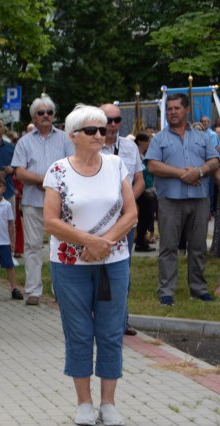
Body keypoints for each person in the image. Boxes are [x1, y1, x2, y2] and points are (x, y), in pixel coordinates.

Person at [43, 105, 137, 426]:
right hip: (70, 264)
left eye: (103, 129)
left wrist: (103, 243)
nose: (101, 134)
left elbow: (131, 214)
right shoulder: (57, 170)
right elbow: (50, 221)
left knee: (111, 332)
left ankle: (108, 404)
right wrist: (87, 242)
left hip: (113, 261)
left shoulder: (115, 164)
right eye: (92, 130)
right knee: (80, 332)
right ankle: (84, 403)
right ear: (73, 136)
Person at [145, 93, 219, 306]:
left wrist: (199, 171)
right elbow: (153, 165)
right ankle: (166, 291)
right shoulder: (159, 138)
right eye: (169, 109)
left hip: (199, 199)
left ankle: (198, 289)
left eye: (177, 108)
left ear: (187, 110)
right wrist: (181, 174)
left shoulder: (203, 137)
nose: (172, 112)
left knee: (198, 247)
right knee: (168, 247)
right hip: (170, 200)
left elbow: (214, 160)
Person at [11, 95, 74, 305]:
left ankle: (60, 291)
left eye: (49, 112)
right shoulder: (24, 142)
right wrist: (43, 180)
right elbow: (19, 172)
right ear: (34, 117)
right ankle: (33, 291)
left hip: (62, 202)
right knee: (32, 245)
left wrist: (49, 183)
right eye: (41, 113)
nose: (46, 116)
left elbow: (73, 167)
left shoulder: (66, 138)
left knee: (63, 244)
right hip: (33, 201)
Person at [100, 103, 145, 336]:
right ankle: (96, 318)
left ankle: (121, 320)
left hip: (123, 219)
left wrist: (126, 204)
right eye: (109, 120)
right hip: (97, 220)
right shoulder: (91, 147)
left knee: (122, 269)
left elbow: (140, 180)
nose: (114, 125)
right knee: (96, 269)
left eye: (117, 120)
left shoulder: (129, 147)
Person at [134, 133, 157, 252]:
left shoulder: (143, 155)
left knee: (147, 217)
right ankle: (140, 242)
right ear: (140, 142)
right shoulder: (136, 154)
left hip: (148, 188)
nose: (148, 144)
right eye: (147, 141)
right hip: (141, 190)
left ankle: (142, 240)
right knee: (144, 217)